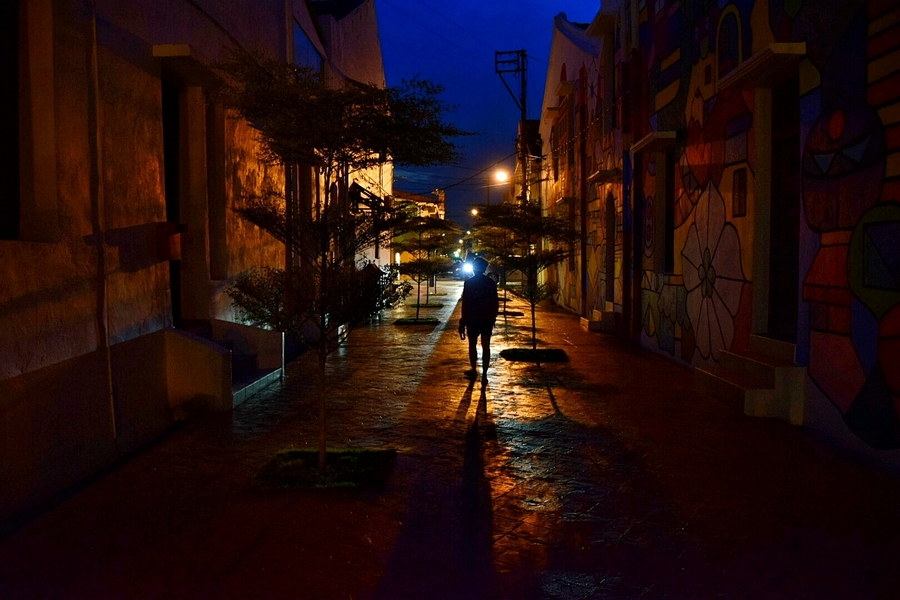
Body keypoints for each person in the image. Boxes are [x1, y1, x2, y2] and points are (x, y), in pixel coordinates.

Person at [458, 256, 499, 380]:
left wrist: (463, 322)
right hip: (486, 318)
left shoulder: (469, 283)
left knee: (472, 344)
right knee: (486, 346)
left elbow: (466, 303)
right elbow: (495, 303)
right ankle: (484, 374)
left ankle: (474, 369)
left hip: (472, 318)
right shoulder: (490, 283)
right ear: (485, 269)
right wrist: (493, 317)